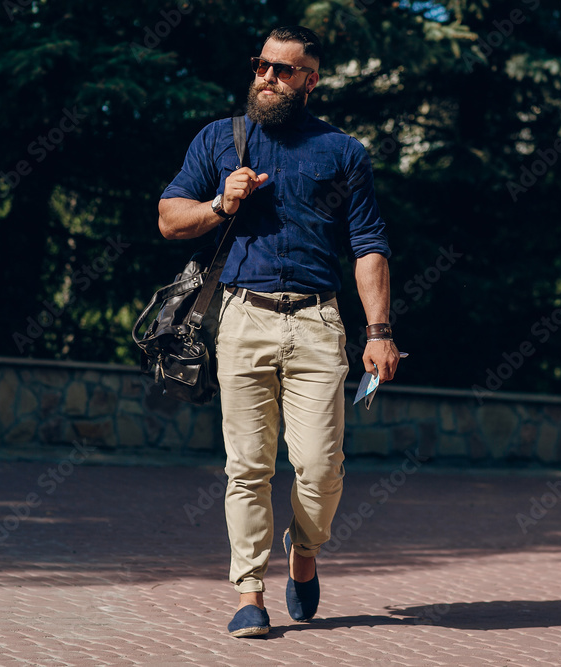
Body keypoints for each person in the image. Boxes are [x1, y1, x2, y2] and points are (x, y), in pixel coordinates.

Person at [158, 25, 399, 637]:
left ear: (310, 81)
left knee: (320, 468)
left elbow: (368, 245)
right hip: (242, 316)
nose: (266, 76)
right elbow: (169, 218)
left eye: (283, 69)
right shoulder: (219, 139)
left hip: (319, 320)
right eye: (262, 65)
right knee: (248, 467)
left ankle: (305, 550)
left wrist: (378, 331)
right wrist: (220, 204)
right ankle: (250, 593)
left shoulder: (343, 152)